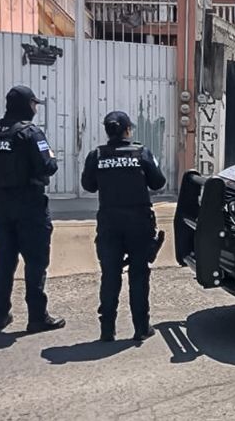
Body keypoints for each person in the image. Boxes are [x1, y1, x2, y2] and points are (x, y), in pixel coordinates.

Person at [0, 85, 65, 333]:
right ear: (26, 105)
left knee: (4, 260)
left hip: (1, 202)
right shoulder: (30, 132)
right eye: (34, 104)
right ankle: (37, 317)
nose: (35, 108)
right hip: (29, 201)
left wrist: (1, 170)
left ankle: (0, 315)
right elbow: (48, 166)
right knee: (36, 261)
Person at [81, 111, 166, 342]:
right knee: (139, 274)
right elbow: (158, 182)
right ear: (128, 130)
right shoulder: (141, 152)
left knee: (110, 275)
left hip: (109, 223)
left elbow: (88, 185)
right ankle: (141, 327)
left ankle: (107, 330)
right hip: (139, 223)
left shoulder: (97, 155)